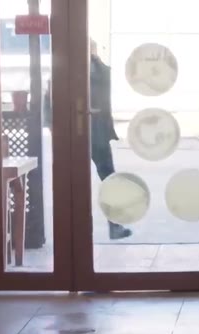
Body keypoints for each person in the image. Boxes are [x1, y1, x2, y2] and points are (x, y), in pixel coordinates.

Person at [43, 40, 132, 240]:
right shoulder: (64, 70)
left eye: (91, 49)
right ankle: (74, 232)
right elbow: (49, 99)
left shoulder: (97, 69)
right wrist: (52, 126)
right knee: (74, 183)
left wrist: (95, 58)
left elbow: (105, 80)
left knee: (109, 181)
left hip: (97, 133)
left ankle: (115, 225)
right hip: (74, 134)